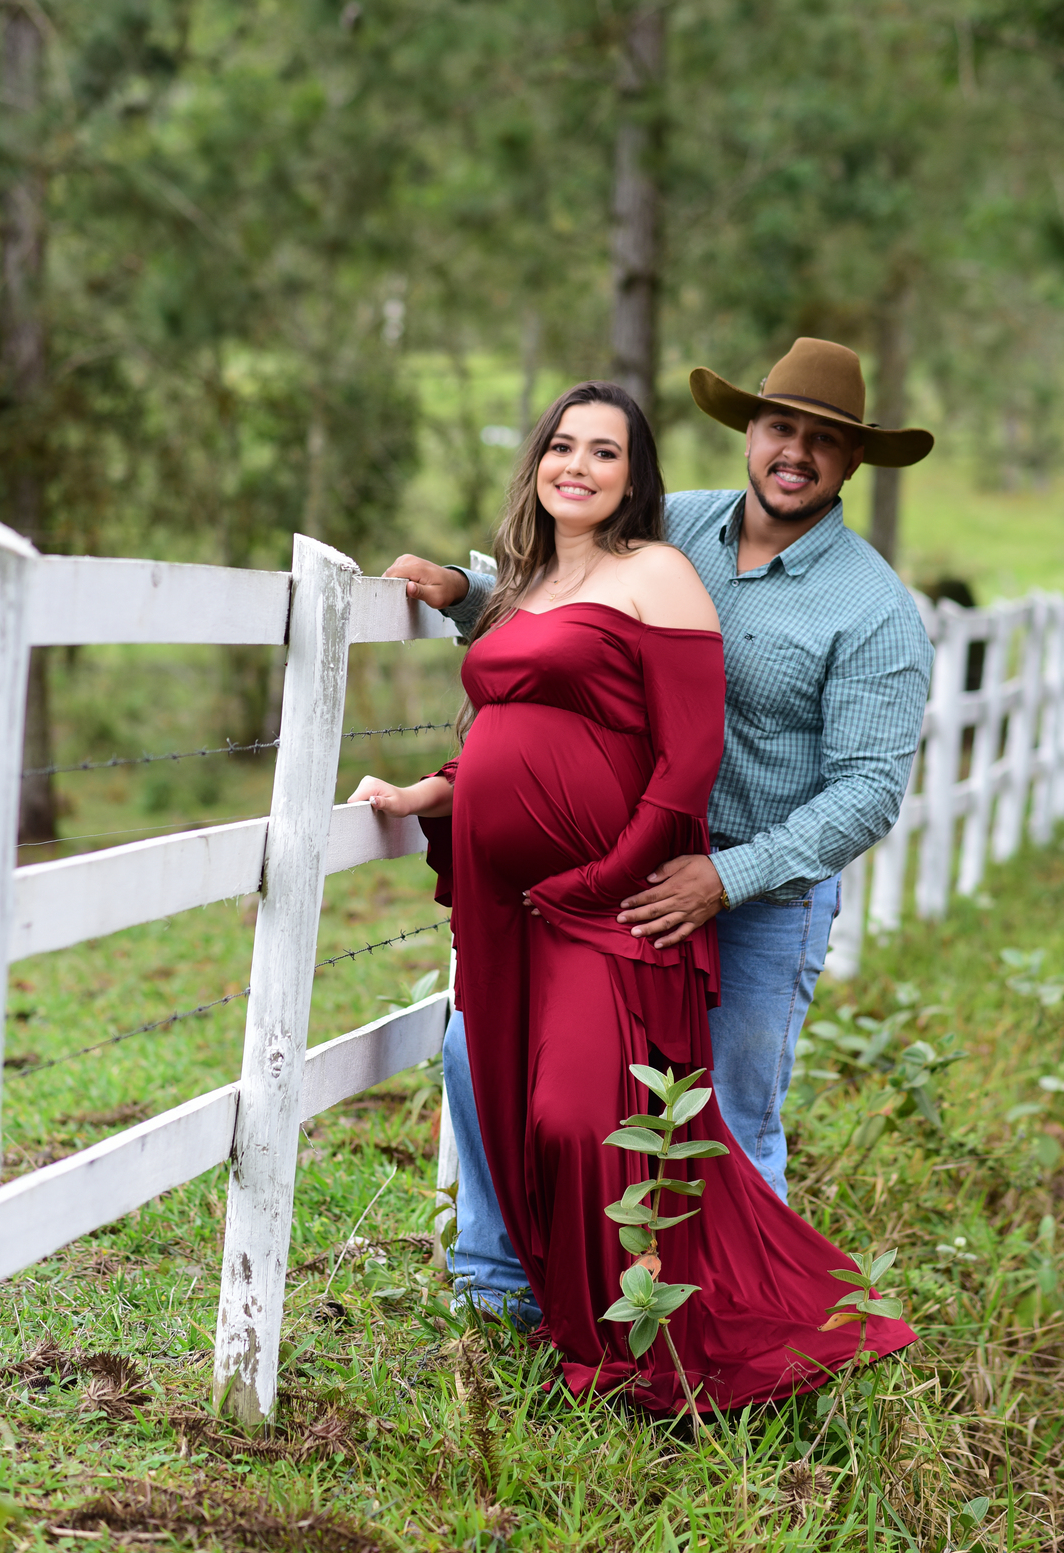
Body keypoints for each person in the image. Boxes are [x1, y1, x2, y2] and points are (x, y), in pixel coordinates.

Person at [351, 380, 915, 1414]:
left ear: (851, 461)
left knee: (721, 1118)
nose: (795, 452)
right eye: (781, 428)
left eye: (822, 441)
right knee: (484, 1062)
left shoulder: (871, 606)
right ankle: (509, 1291)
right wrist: (452, 586)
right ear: (753, 432)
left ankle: (753, 1360)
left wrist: (718, 874)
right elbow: (560, 601)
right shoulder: (681, 521)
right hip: (613, 866)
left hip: (752, 877)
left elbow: (870, 790)